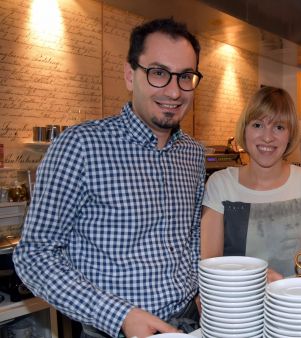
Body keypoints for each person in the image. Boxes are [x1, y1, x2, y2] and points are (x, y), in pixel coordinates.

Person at [13, 18, 205, 338]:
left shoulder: (193, 153)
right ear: (131, 75)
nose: (174, 90)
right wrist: (121, 316)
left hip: (190, 321)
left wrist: (205, 288)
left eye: (186, 76)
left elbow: (192, 238)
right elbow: (35, 254)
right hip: (111, 328)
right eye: (158, 73)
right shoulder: (81, 146)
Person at [201, 86, 301, 281]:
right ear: (244, 129)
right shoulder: (220, 184)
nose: (267, 137)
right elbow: (210, 261)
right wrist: (255, 277)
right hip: (236, 304)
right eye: (257, 125)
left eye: (279, 127)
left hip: (290, 303)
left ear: (290, 134)